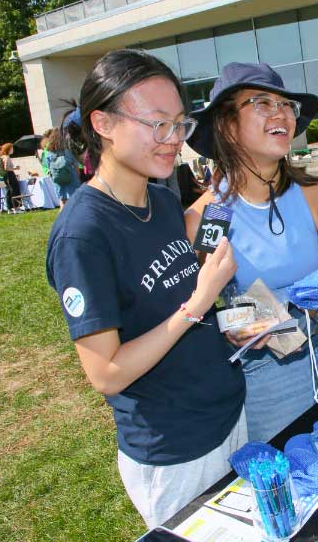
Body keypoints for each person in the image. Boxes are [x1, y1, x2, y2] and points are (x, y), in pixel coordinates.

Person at [45, 49, 246, 528]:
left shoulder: (159, 196)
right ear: (104, 123)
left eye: (179, 124)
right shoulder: (83, 234)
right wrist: (199, 304)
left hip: (228, 416)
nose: (174, 140)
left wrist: (221, 204)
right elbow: (107, 373)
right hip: (175, 450)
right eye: (158, 124)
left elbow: (180, 270)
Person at [185, 62, 318, 442]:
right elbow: (201, 306)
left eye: (285, 105)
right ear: (227, 126)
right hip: (267, 378)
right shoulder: (211, 216)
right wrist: (231, 324)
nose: (281, 113)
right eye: (261, 102)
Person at [45, 125, 82, 207]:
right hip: (71, 177)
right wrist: (78, 177)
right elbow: (75, 165)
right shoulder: (67, 150)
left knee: (62, 202)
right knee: (75, 202)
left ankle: (62, 219)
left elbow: (48, 168)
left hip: (58, 179)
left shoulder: (49, 153)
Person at [0, 143, 23, 213]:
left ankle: (10, 209)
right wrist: (15, 168)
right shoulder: (7, 157)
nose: (13, 150)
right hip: (10, 175)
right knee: (14, 191)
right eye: (11, 148)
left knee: (9, 192)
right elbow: (6, 168)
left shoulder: (2, 157)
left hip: (6, 176)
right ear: (8, 149)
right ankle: (16, 208)